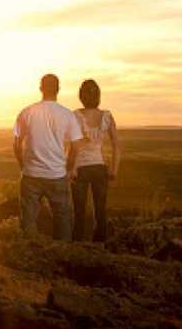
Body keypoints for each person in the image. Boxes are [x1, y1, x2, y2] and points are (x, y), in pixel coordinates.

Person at [13, 74, 85, 240]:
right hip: (57, 175)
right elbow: (76, 146)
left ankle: (29, 257)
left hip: (31, 175)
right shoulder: (67, 115)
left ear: (41, 88)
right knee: (62, 220)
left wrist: (22, 166)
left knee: (29, 222)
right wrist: (68, 168)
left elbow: (17, 144)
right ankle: (63, 257)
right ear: (58, 89)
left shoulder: (26, 112)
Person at [69, 79, 121, 242]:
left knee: (79, 212)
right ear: (98, 95)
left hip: (80, 168)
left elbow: (74, 146)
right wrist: (114, 170)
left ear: (81, 96)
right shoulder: (107, 116)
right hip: (99, 167)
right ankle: (101, 248)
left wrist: (70, 168)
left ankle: (77, 248)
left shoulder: (76, 115)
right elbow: (117, 146)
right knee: (100, 211)